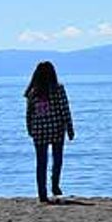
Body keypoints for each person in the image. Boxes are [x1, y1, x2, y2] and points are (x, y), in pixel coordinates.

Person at [25, 61, 75, 203]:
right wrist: (70, 128)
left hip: (39, 130)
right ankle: (55, 185)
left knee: (41, 162)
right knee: (57, 158)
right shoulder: (58, 89)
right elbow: (64, 109)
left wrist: (29, 128)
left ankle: (42, 193)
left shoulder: (32, 91)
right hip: (57, 128)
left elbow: (29, 113)